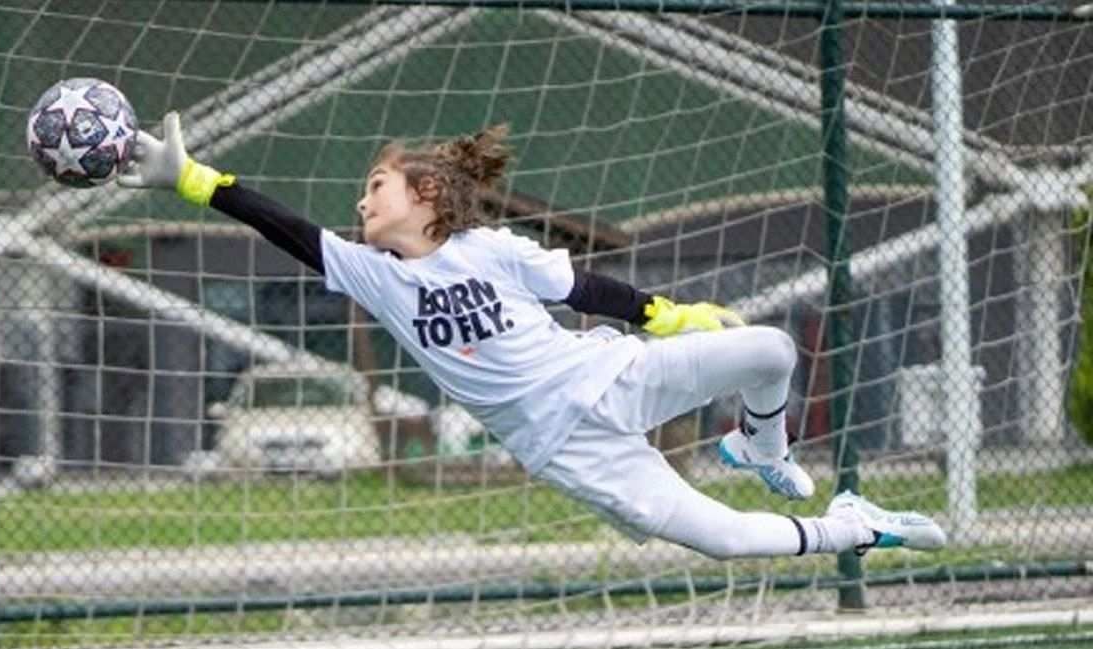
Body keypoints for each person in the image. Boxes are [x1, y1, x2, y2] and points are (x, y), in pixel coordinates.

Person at [119, 112, 947, 559]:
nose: (362, 200)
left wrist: (672, 315)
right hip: (565, 449)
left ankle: (761, 449)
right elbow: (288, 228)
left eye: (376, 185)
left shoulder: (493, 249)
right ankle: (854, 526)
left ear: (427, 197)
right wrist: (189, 178)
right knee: (722, 541)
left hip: (611, 377)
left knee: (770, 349)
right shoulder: (373, 274)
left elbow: (585, 289)